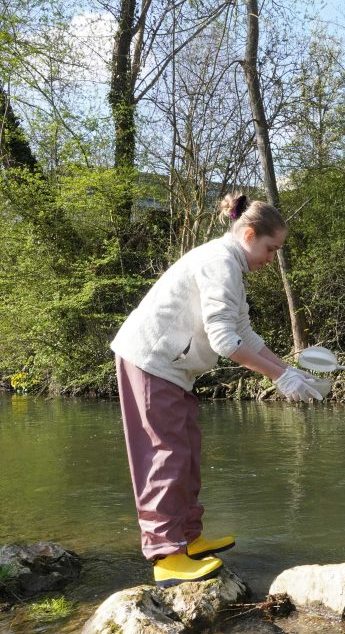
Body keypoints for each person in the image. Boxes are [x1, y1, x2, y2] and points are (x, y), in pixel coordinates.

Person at [111, 193, 322, 588]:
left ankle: (188, 539)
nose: (271, 258)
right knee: (164, 456)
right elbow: (225, 340)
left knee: (186, 451)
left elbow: (244, 333)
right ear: (248, 234)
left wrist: (288, 370)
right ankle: (166, 556)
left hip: (173, 369)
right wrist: (277, 378)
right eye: (270, 248)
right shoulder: (220, 262)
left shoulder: (232, 266)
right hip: (150, 361)